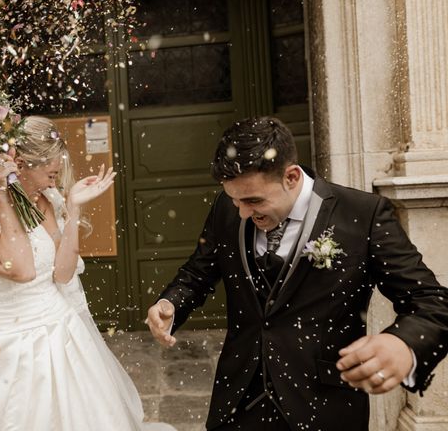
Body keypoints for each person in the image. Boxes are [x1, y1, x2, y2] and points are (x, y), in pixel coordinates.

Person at [146, 117, 448, 431]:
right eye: (235, 200)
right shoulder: (229, 206)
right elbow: (200, 270)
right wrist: (171, 302)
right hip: (237, 404)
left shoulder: (363, 215)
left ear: (291, 176)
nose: (243, 212)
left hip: (322, 407)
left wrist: (403, 344)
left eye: (253, 201)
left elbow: (432, 304)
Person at [0, 116, 175, 431]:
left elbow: (63, 274)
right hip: (6, 348)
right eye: (50, 173)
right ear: (18, 164)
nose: (54, 182)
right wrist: (2, 195)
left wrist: (74, 208)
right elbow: (20, 269)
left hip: (62, 335)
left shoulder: (42, 202)